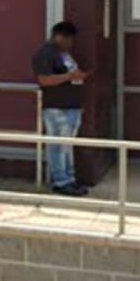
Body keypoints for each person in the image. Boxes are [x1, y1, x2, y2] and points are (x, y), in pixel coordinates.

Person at [31, 20, 89, 196]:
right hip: (57, 108)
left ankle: (69, 178)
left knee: (67, 146)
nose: (71, 43)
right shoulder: (45, 53)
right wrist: (69, 76)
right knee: (57, 146)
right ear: (58, 37)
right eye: (68, 39)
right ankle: (60, 181)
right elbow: (44, 80)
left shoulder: (65, 54)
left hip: (71, 106)